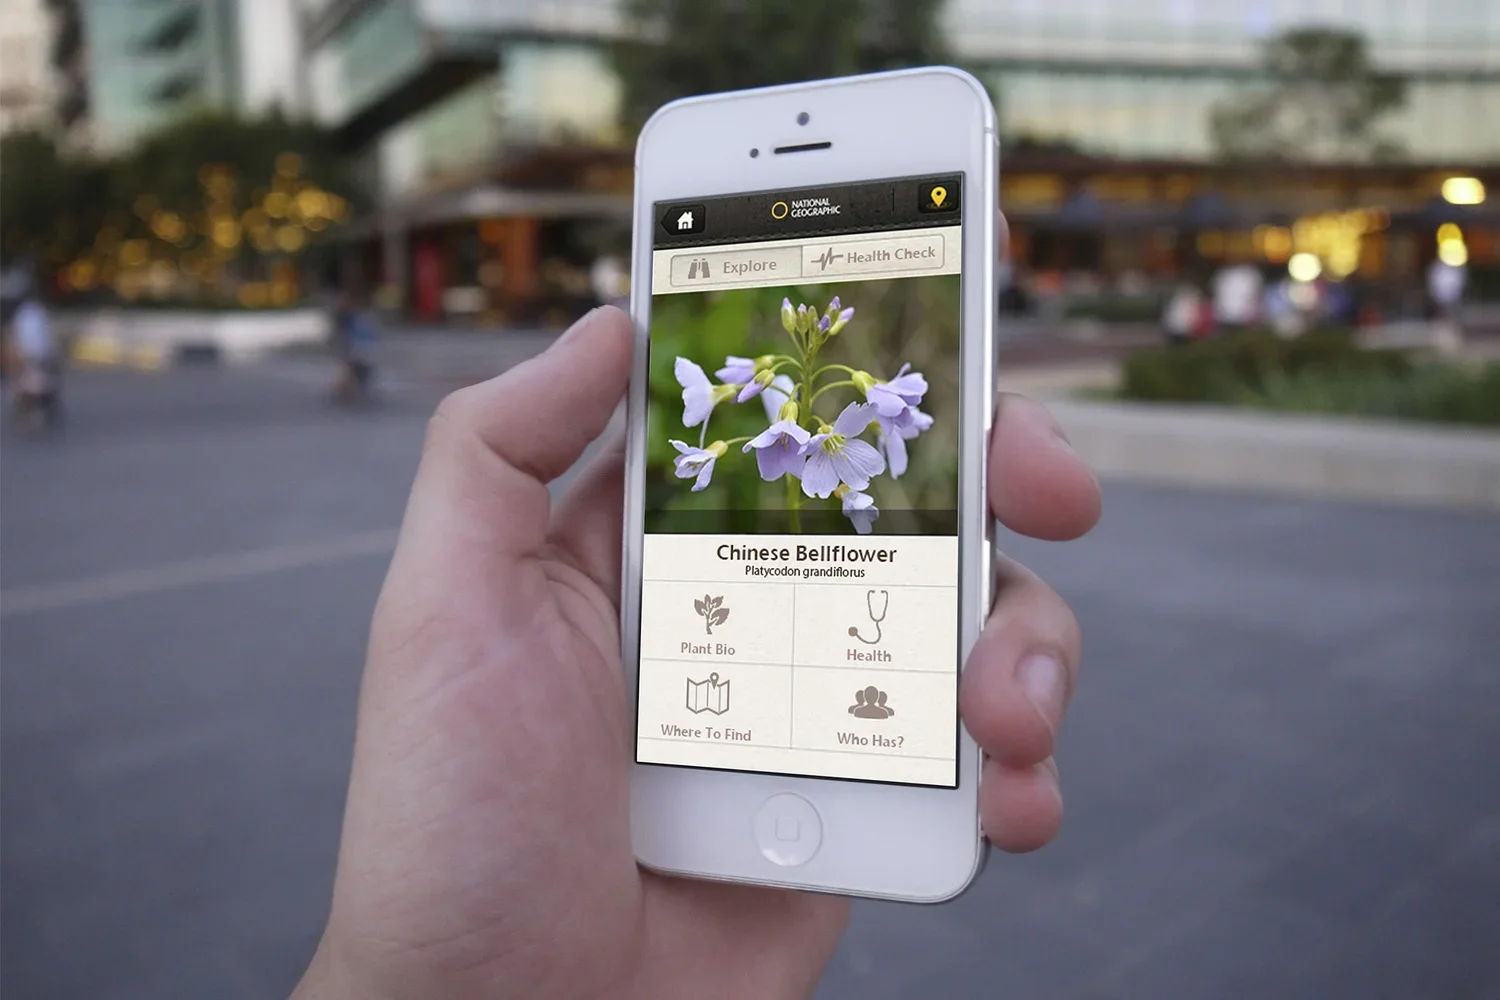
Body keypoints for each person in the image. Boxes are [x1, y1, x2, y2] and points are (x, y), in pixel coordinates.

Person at [291, 224, 1101, 1000]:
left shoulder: (843, 422)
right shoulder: (785, 427)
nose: (812, 443)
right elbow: (794, 442)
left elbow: (847, 439)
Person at [10, 293, 61, 428]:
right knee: (42, 383)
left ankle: (30, 412)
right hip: (42, 354)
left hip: (29, 354)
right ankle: (41, 410)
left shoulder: (22, 315)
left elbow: (17, 337)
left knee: (28, 384)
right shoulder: (39, 313)